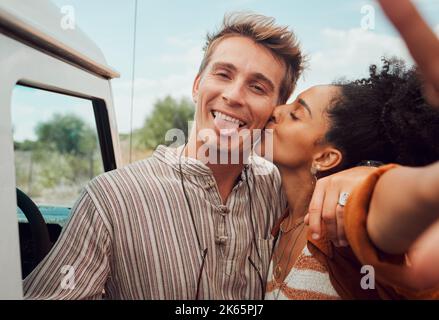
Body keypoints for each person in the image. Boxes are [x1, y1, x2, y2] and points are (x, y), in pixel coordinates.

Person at [23, 13, 372, 300]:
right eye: (223, 74)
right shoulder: (111, 199)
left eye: (258, 86)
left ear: (274, 111)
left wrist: (367, 173)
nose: (233, 95)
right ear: (196, 85)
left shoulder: (280, 193)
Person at [262, 58, 439, 300]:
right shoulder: (273, 218)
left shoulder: (344, 228)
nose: (275, 110)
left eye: (296, 114)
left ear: (325, 157)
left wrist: (374, 177)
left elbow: (391, 212)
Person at [356, 0, 439, 290]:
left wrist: (430, 185)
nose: (279, 111)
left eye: (296, 113)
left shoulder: (333, 216)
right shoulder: (275, 200)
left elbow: (373, 215)